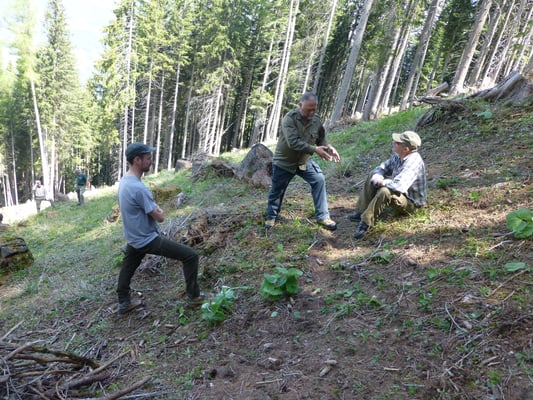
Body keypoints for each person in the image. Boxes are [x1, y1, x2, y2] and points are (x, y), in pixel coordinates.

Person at [116, 142, 208, 315]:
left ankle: (124, 302)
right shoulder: (138, 188)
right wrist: (158, 211)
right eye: (148, 158)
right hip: (146, 239)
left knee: (128, 267)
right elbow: (160, 217)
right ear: (137, 160)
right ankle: (194, 298)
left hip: (134, 237)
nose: (151, 161)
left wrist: (154, 209)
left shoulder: (124, 182)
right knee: (190, 256)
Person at [265, 92, 340, 231]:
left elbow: (321, 139)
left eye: (314, 109)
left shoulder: (316, 120)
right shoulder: (289, 119)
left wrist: (328, 147)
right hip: (284, 162)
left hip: (303, 161)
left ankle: (323, 216)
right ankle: (271, 217)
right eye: (308, 109)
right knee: (277, 190)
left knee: (319, 180)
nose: (311, 112)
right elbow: (293, 142)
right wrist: (315, 149)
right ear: (300, 105)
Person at [350, 130, 427, 239]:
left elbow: (399, 186)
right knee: (373, 175)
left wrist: (382, 182)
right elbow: (384, 166)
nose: (393, 142)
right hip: (401, 193)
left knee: (385, 191)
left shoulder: (413, 162)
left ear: (406, 149)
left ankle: (366, 223)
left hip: (412, 202)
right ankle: (361, 211)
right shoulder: (399, 155)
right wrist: (378, 174)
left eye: (397, 143)